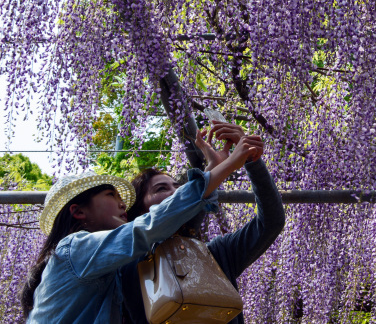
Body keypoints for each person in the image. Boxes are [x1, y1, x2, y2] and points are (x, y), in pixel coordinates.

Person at [20, 135, 262, 324]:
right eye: (110, 195)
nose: (122, 203)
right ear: (79, 212)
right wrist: (228, 166)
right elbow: (149, 228)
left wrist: (213, 168)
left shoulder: (108, 265)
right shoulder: (74, 249)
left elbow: (171, 223)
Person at [120, 121, 285, 324]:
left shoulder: (218, 254)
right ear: (139, 212)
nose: (175, 192)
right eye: (161, 189)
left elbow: (271, 221)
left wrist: (253, 161)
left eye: (178, 187)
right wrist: (216, 170)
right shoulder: (128, 261)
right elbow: (176, 218)